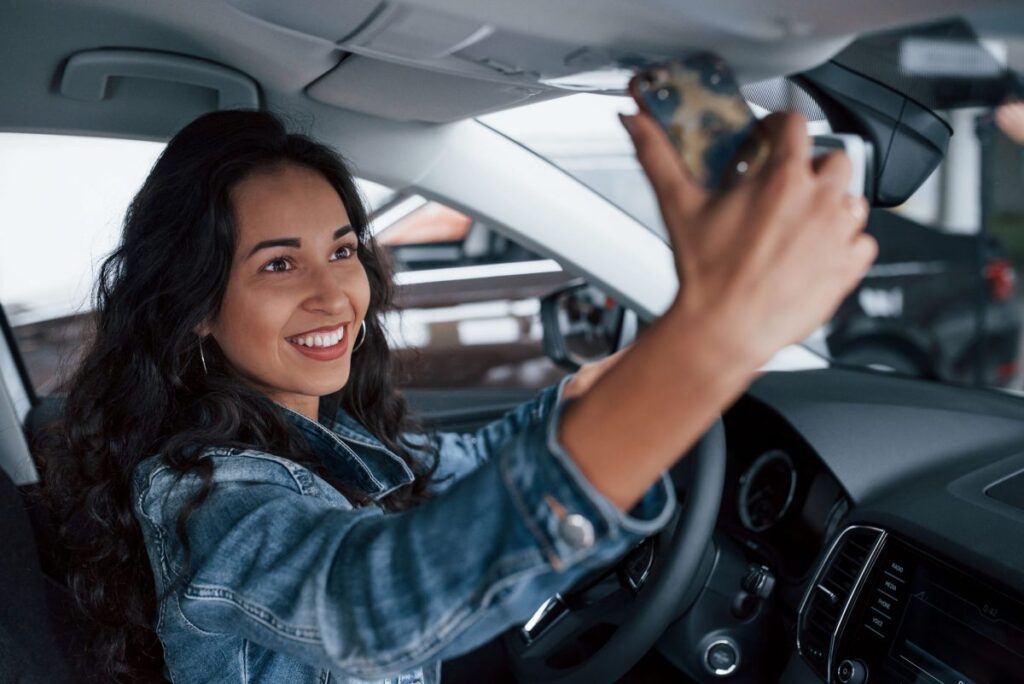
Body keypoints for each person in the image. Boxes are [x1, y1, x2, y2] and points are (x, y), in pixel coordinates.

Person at [36, 93, 874, 683]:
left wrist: (618, 382)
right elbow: (374, 605)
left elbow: (461, 465)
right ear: (196, 308)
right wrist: (708, 345)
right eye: (279, 265)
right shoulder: (209, 497)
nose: (334, 294)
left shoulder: (324, 440)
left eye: (342, 250)